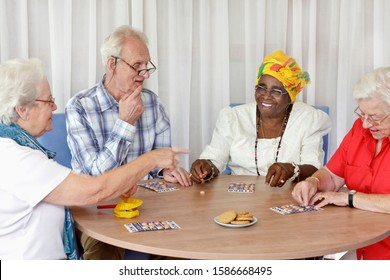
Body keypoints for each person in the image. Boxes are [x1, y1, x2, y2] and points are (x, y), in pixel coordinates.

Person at [0, 57, 187, 259]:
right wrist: (151, 159)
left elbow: (74, 192)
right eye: (48, 100)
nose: (54, 107)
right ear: (23, 110)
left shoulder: (18, 148)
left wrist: (117, 187)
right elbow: (96, 190)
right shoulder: (18, 159)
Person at [65, 25, 191, 259]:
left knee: (182, 250)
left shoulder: (153, 104)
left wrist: (165, 171)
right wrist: (125, 123)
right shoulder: (80, 107)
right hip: (98, 212)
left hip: (147, 207)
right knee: (101, 257)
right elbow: (96, 180)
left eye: (147, 66)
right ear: (112, 64)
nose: (145, 74)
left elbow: (158, 165)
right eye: (137, 66)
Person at [190, 50, 331, 187]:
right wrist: (205, 167)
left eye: (276, 91)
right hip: (238, 198)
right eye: (261, 87)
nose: (266, 95)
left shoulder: (309, 119)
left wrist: (290, 169)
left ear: (290, 96)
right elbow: (215, 158)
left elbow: (314, 169)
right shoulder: (234, 117)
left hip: (289, 197)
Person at [292, 67, 390, 260]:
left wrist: (349, 198)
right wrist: (312, 182)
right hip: (363, 245)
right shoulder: (359, 130)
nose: (365, 124)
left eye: (375, 117)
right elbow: (332, 174)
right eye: (362, 114)